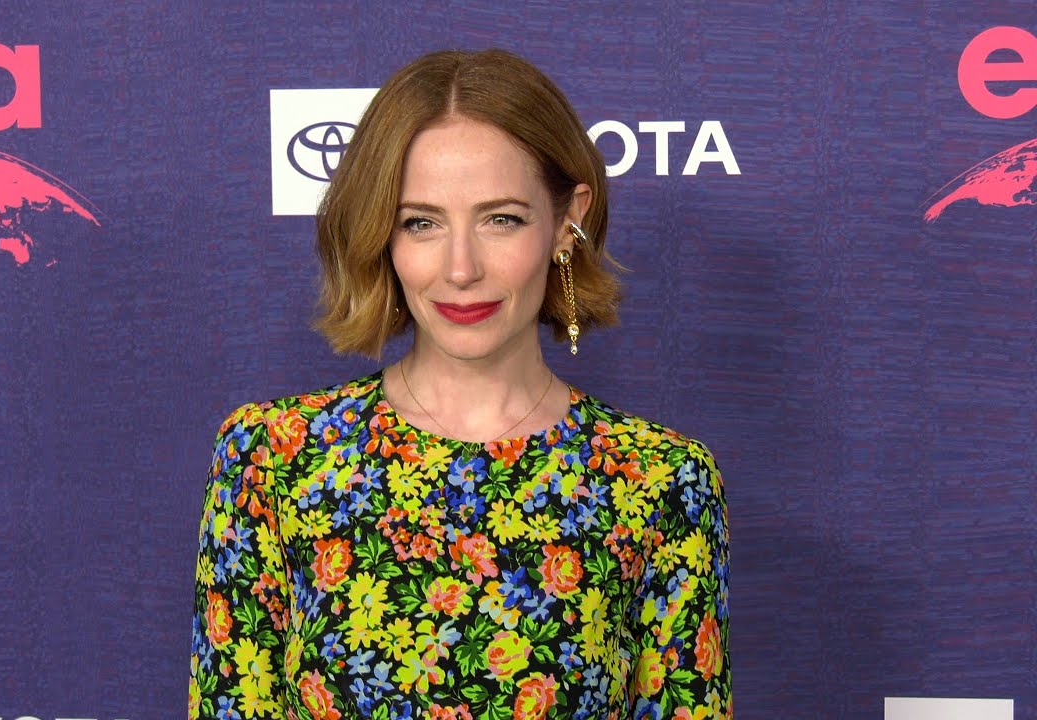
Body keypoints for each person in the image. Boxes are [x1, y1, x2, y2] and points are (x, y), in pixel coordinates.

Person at [188, 49, 731, 720]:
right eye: (421, 222)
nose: (461, 268)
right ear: (382, 235)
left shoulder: (662, 480)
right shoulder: (272, 458)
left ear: (567, 221)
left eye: (501, 218)